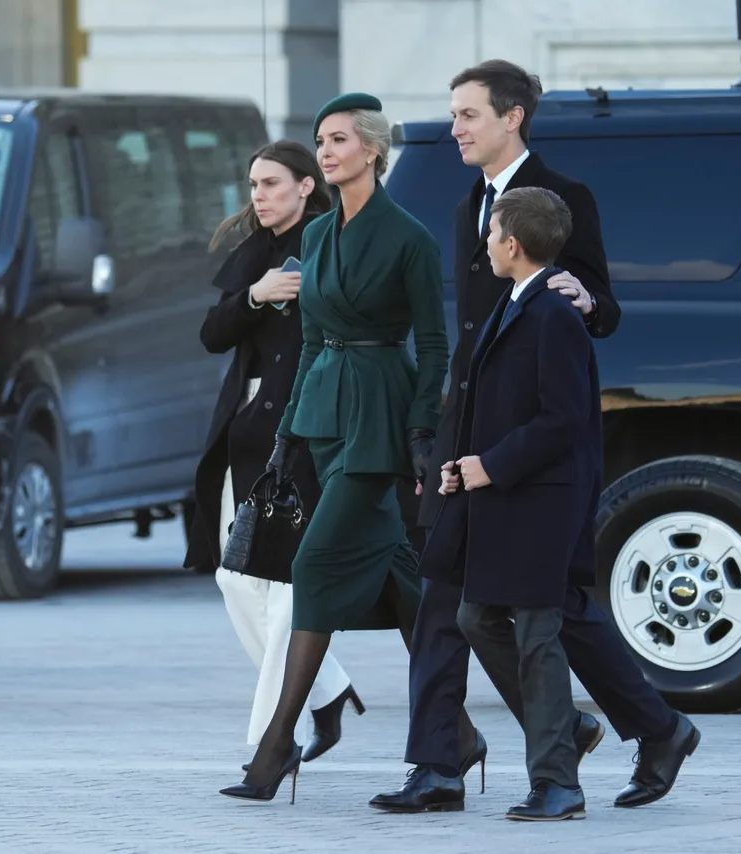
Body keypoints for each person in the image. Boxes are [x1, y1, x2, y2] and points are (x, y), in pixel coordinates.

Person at [373, 59, 699, 816]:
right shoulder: (466, 213)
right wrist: (438, 439)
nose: (454, 127)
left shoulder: (564, 201)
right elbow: (467, 338)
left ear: (511, 117)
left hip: (530, 450)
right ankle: (440, 766)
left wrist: (587, 300)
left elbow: (599, 308)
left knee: (554, 609)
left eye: (466, 115)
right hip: (471, 440)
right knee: (447, 600)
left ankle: (649, 729)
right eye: (453, 114)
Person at [218, 92, 482, 804]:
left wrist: (425, 430)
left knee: (312, 563)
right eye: (321, 141)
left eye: (338, 141)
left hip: (380, 413)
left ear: (371, 149)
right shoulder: (318, 236)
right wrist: (288, 435)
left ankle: (277, 745)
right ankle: (459, 734)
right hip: (325, 414)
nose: (326, 152)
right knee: (402, 579)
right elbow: (308, 338)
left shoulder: (408, 238)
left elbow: (432, 343)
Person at [185, 140, 365, 767]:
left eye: (271, 184)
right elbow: (212, 335)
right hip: (247, 431)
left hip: (306, 429)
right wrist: (256, 295)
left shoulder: (330, 241)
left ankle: (272, 741)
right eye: (254, 184)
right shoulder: (254, 255)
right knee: (234, 576)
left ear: (306, 186)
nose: (259, 196)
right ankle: (330, 689)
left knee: (286, 588)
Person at [440, 185, 602, 819]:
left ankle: (557, 784)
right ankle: (562, 726)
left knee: (537, 635)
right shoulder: (514, 302)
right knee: (476, 617)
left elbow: (563, 419)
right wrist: (462, 467)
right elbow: (498, 404)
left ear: (512, 243)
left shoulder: (553, 314)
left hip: (542, 501)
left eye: (492, 233)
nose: (484, 242)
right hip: (504, 494)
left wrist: (493, 465)